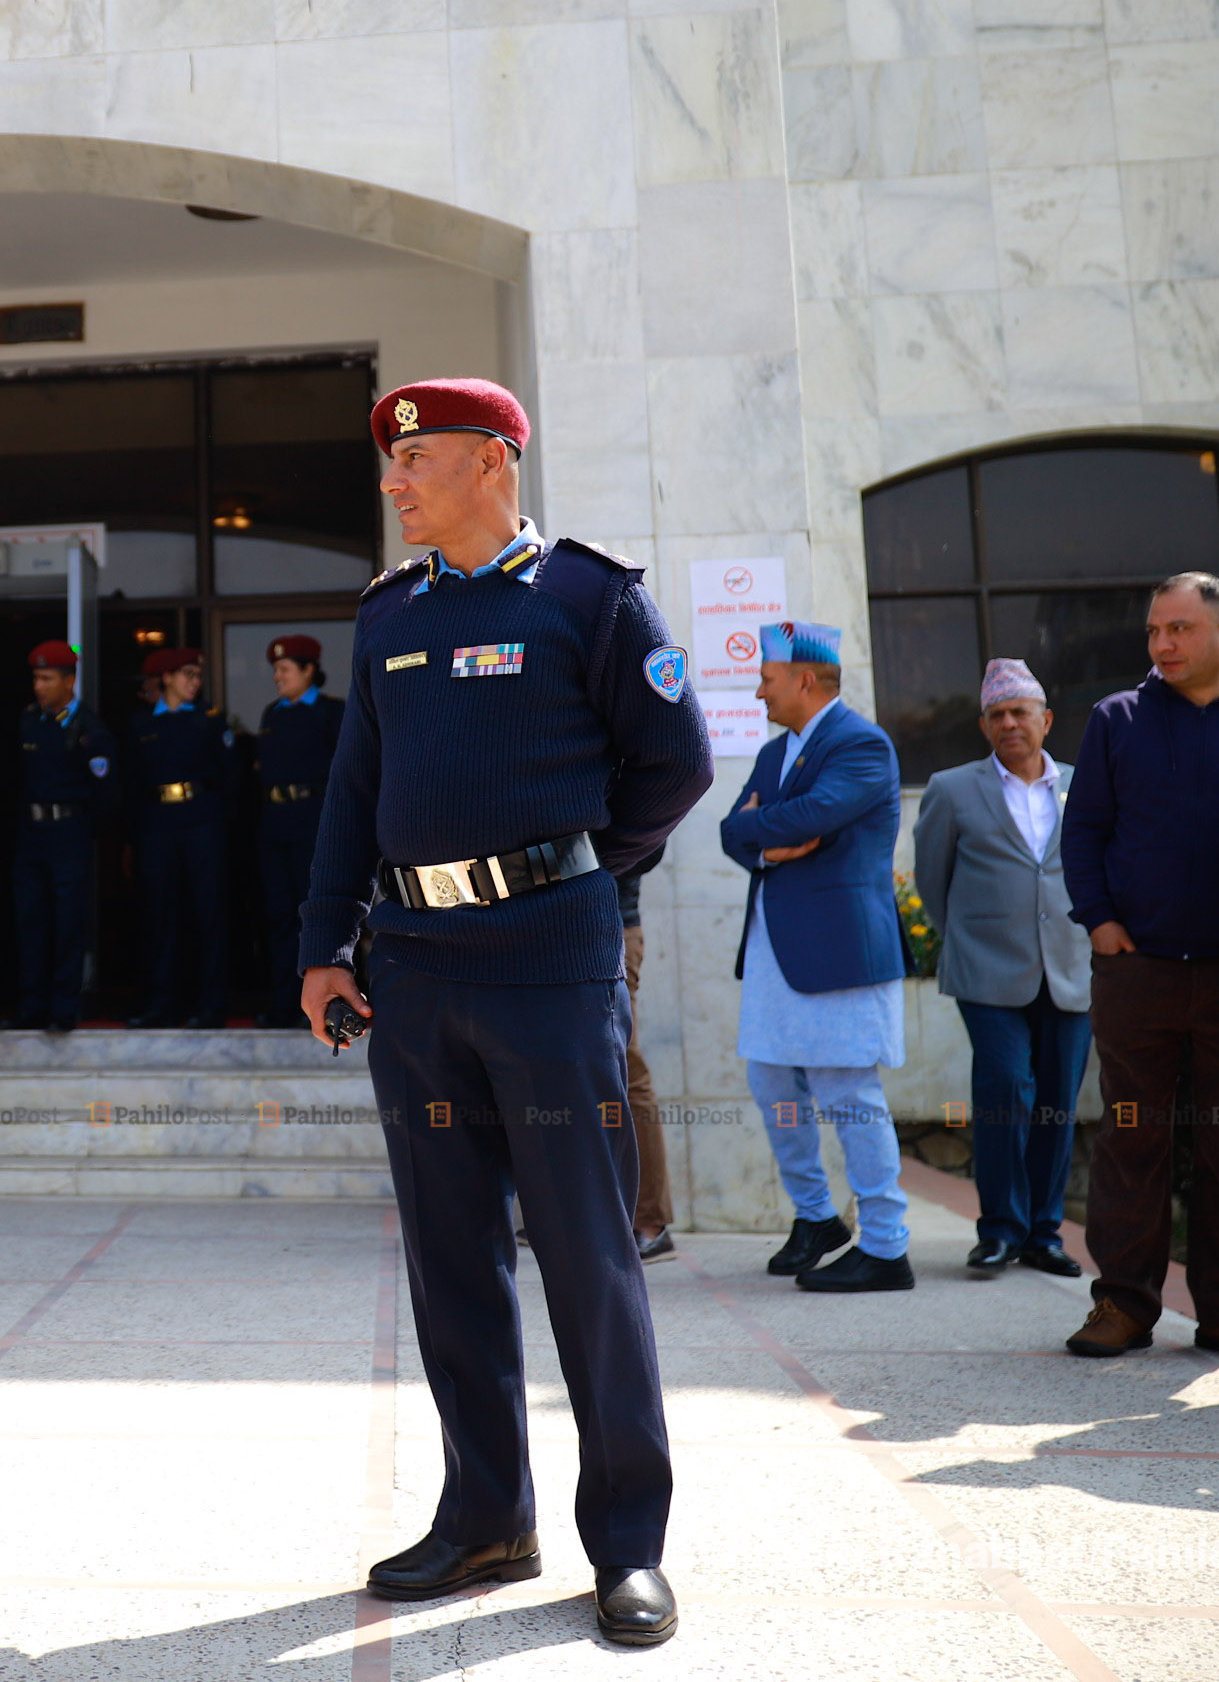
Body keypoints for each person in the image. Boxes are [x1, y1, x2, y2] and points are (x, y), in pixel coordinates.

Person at [294, 378, 707, 1645]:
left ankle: (626, 1545)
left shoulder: (590, 596)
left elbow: (676, 763)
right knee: (449, 1253)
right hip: (415, 968)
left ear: (493, 460)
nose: (394, 482)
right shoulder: (389, 618)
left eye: (416, 459)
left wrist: (578, 867)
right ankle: (486, 1516)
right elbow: (351, 796)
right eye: (392, 462)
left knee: (588, 1258)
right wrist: (323, 948)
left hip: (550, 967)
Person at [1058, 572, 1219, 1362]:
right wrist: (1101, 924)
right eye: (1155, 631)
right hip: (1139, 971)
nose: (1162, 645)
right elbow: (1084, 831)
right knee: (1132, 1140)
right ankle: (1122, 1305)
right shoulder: (1116, 719)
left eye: (1180, 630)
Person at [720, 621, 912, 1294]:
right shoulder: (777, 755)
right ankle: (817, 1219)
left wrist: (763, 827)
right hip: (777, 949)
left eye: (767, 679)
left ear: (805, 679)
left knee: (848, 1094)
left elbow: (811, 816)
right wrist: (765, 840)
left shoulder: (860, 743)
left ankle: (887, 1246)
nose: (757, 690)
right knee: (773, 1083)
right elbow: (730, 831)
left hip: (839, 953)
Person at [911, 659, 1092, 1280]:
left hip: (1070, 968)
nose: (1010, 723)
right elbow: (933, 884)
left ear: (1046, 719)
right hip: (987, 972)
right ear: (985, 727)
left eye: (1020, 712)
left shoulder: (1085, 783)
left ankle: (1044, 1233)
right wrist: (969, 934)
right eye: (997, 715)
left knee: (1056, 1103)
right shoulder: (953, 789)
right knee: (1006, 1091)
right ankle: (998, 1230)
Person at [8, 640, 112, 1034]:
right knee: (30, 921)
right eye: (36, 678)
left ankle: (63, 1007)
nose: (39, 686)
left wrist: (84, 832)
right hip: (33, 834)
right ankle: (32, 1005)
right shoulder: (29, 721)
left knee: (68, 924)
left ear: (69, 681)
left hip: (70, 834)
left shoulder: (90, 729)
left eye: (47, 678)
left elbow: (106, 796)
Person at [127, 646, 233, 1027]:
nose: (194, 682)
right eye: (186, 674)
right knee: (160, 915)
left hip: (203, 822)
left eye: (197, 675)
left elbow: (230, 778)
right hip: (158, 824)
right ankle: (161, 1003)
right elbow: (132, 781)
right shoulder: (141, 725)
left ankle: (211, 1005)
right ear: (166, 678)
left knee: (208, 914)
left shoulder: (209, 721)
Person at [253, 635, 342, 1030]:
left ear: (309, 670)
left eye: (284, 669)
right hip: (276, 824)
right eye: (275, 669)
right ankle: (282, 1003)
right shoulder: (272, 714)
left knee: (317, 916)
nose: (277, 677)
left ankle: (327, 1004)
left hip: (314, 823)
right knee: (278, 916)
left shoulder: (332, 713)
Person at [614, 874, 674, 1260]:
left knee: (626, 1070)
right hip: (536, 926)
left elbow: (648, 844)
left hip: (607, 925)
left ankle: (650, 1223)